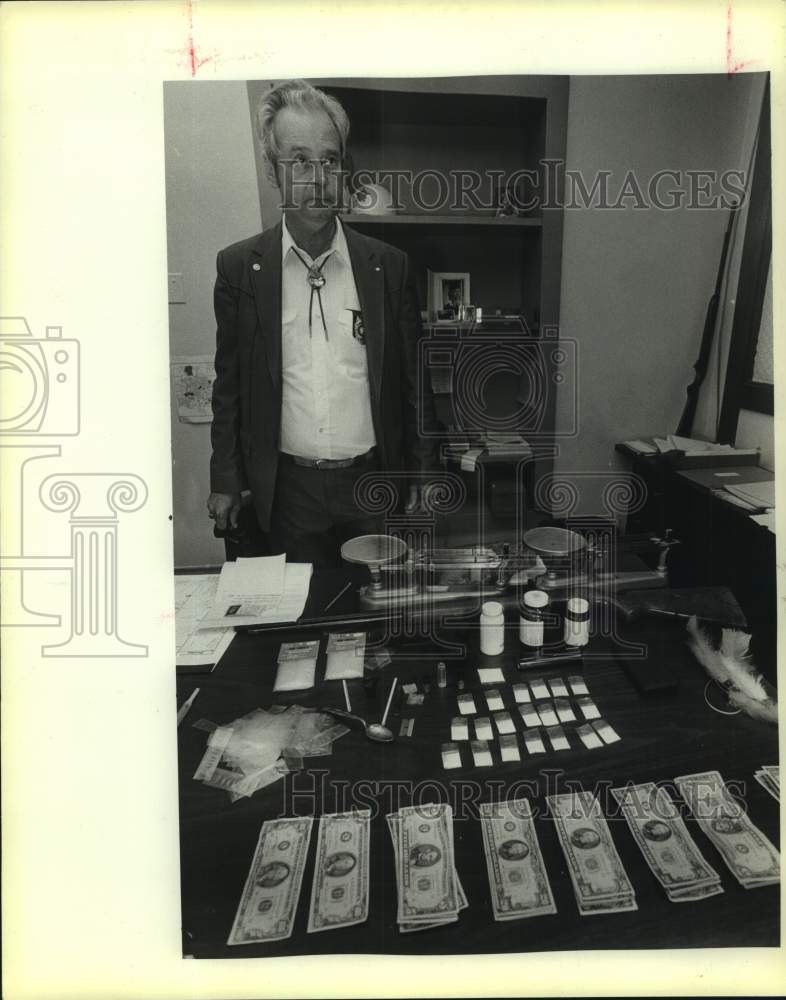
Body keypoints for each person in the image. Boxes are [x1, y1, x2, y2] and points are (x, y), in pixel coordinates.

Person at [206, 80, 437, 568]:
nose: (318, 177)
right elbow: (228, 387)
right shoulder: (238, 270)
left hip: (373, 483)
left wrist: (422, 471)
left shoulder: (388, 267)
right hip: (289, 491)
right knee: (300, 621)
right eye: (300, 161)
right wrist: (225, 479)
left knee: (376, 614)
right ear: (273, 172)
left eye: (330, 160)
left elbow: (415, 384)